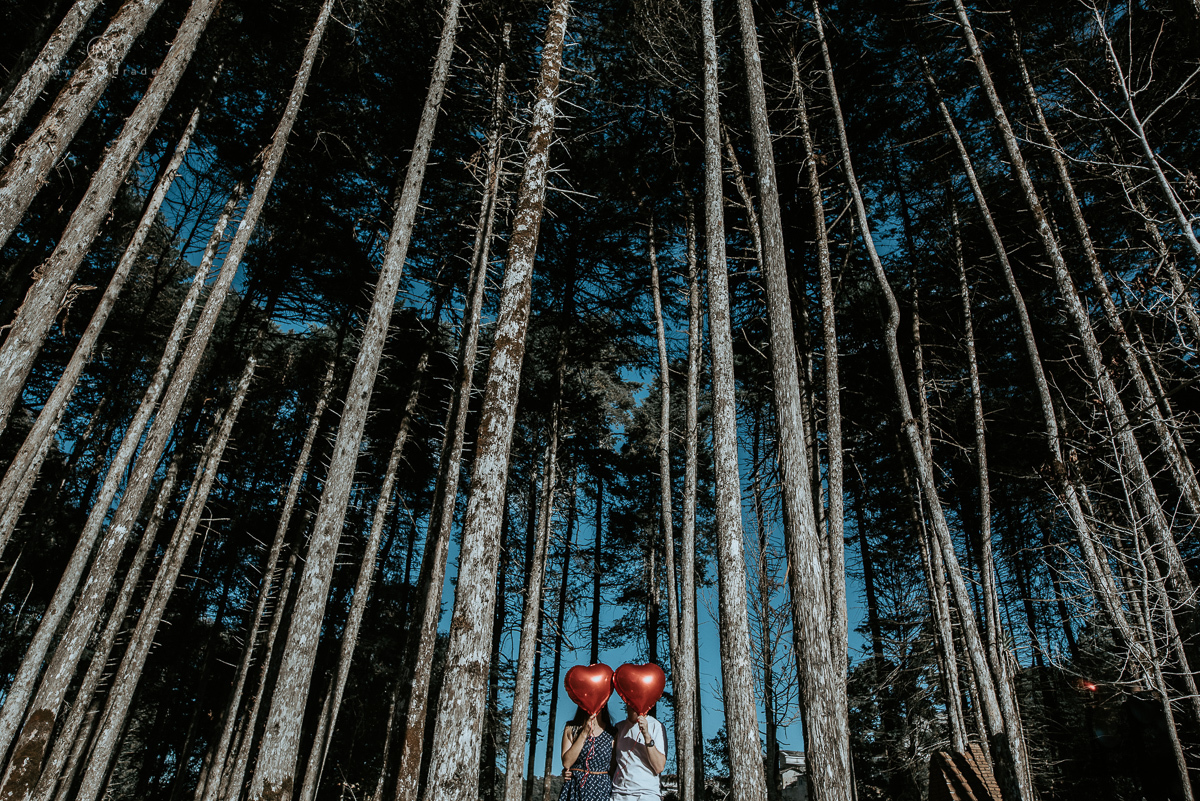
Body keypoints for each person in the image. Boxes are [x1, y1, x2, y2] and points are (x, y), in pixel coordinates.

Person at [610, 703, 667, 800]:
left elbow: (659, 767)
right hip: (620, 794)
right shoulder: (619, 727)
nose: (633, 705)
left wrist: (646, 735)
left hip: (646, 794)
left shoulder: (656, 726)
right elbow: (612, 764)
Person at [559, 704, 615, 801]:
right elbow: (567, 763)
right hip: (575, 787)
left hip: (601, 789)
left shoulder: (612, 733)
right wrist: (584, 733)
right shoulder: (571, 728)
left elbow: (614, 768)